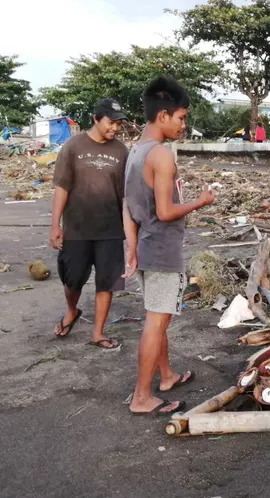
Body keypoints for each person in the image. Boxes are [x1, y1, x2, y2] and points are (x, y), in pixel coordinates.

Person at [123, 76, 216, 415]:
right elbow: (164, 212)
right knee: (157, 322)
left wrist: (131, 248)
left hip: (146, 248)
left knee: (157, 318)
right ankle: (141, 397)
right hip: (162, 250)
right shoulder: (161, 155)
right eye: (181, 117)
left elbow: (127, 206)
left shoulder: (135, 152)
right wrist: (201, 202)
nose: (183, 125)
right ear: (162, 116)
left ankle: (166, 376)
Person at [49, 98, 129, 350]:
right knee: (72, 279)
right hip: (77, 228)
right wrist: (55, 225)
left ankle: (98, 332)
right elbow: (62, 187)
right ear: (95, 118)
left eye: (118, 124)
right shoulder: (73, 146)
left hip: (111, 229)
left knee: (107, 282)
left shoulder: (121, 151)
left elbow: (125, 194)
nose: (115, 128)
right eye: (111, 122)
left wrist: (130, 228)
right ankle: (72, 310)